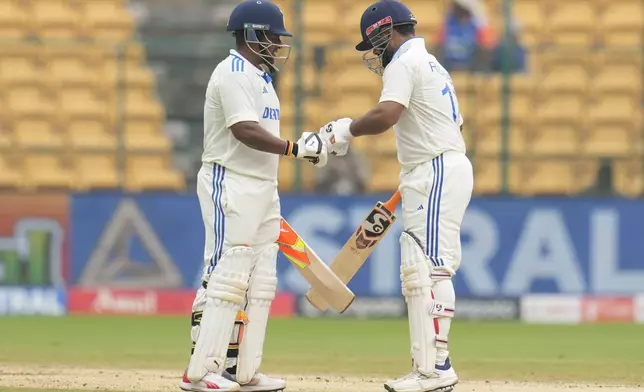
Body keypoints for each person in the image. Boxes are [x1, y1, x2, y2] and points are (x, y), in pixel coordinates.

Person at [319, 1, 473, 391]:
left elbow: (387, 114)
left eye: (372, 43)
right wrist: (416, 174)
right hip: (432, 169)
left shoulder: (405, 62)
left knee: (432, 268)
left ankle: (437, 368)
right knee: (417, 267)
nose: (373, 54)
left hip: (436, 169)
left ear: (385, 33)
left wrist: (345, 131)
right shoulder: (431, 62)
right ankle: (428, 366)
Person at [180, 1, 328, 391]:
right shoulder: (231, 72)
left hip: (264, 186)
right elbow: (244, 130)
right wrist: (294, 149)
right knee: (225, 274)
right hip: (230, 181)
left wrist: (298, 148)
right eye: (274, 35)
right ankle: (200, 372)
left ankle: (242, 371)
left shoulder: (261, 78)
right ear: (252, 34)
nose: (279, 43)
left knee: (261, 280)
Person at [435, 0, 494, 72]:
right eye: (458, 8)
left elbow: (487, 45)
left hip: (472, 68)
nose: (460, 12)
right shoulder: (449, 23)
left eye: (463, 9)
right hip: (449, 66)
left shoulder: (477, 24)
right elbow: (438, 43)